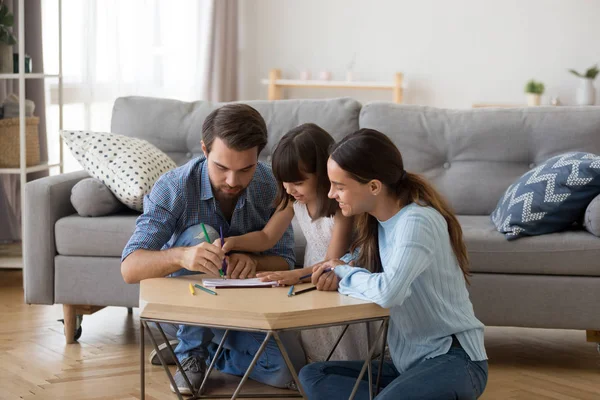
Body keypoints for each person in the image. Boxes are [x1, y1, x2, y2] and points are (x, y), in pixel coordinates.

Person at [120, 104, 305, 395]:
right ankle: (191, 353)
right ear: (205, 150)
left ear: (259, 156)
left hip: (242, 311)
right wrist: (182, 256)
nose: (233, 181)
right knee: (199, 235)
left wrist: (252, 261)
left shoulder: (269, 185)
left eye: (246, 168)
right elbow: (130, 268)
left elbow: (285, 261)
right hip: (185, 309)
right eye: (222, 168)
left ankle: (203, 351)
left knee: (283, 371)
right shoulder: (174, 187)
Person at [298, 129, 488, 399]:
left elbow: (389, 291)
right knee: (313, 374)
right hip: (407, 366)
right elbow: (355, 265)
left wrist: (343, 272)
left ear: (374, 186)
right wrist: (338, 270)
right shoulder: (378, 224)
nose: (330, 194)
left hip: (455, 359)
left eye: (339, 186)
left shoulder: (417, 221)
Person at [217, 123, 353, 285]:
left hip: (332, 280)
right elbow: (266, 237)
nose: (289, 190)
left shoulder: (341, 208)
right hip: (307, 278)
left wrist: (295, 275)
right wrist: (232, 241)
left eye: (297, 182)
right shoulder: (293, 201)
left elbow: (331, 262)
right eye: (284, 182)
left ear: (324, 173)